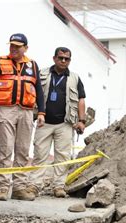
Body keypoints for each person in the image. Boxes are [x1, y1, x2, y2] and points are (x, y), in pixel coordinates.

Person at [0, 33, 45, 201]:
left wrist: (41, 112)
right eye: (12, 45)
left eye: (18, 46)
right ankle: (3, 187)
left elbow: (39, 89)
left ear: (25, 48)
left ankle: (19, 188)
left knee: (23, 150)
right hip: (6, 109)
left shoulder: (32, 65)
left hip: (26, 111)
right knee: (6, 148)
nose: (14, 49)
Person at [30, 47, 86, 198]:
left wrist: (81, 120)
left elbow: (81, 99)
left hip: (65, 124)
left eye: (66, 59)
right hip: (44, 122)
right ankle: (35, 185)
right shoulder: (42, 74)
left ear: (69, 61)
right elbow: (31, 93)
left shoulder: (75, 78)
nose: (63, 61)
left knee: (63, 156)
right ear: (54, 58)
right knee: (39, 154)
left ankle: (59, 186)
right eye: (60, 58)